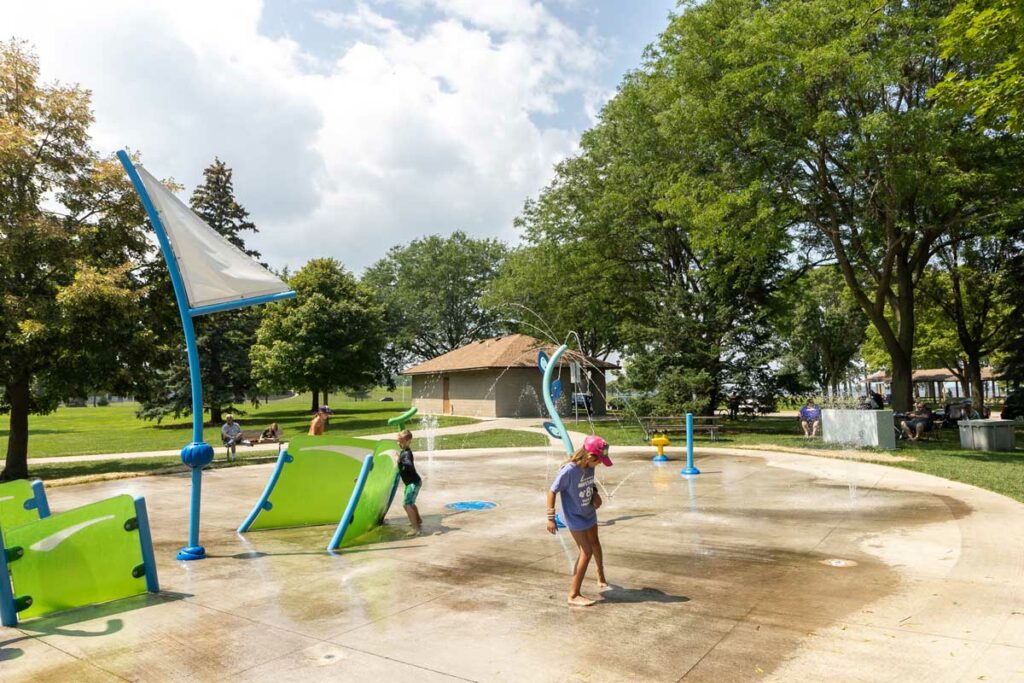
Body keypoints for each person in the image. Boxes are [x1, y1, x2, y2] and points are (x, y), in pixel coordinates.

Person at [546, 434, 613, 607]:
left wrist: (596, 493)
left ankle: (600, 574)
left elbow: (589, 482)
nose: (599, 464)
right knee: (586, 551)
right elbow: (552, 491)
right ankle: (573, 594)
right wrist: (550, 518)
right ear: (590, 456)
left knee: (595, 543)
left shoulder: (589, 466)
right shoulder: (569, 471)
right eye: (599, 461)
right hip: (574, 517)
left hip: (588, 512)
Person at [396, 429, 423, 536]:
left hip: (413, 483)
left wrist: (399, 460)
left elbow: (408, 465)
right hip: (412, 482)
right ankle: (418, 520)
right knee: (410, 503)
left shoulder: (406, 454)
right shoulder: (404, 452)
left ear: (408, 441)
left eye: (401, 441)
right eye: (398, 441)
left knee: (407, 504)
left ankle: (416, 528)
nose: (398, 443)